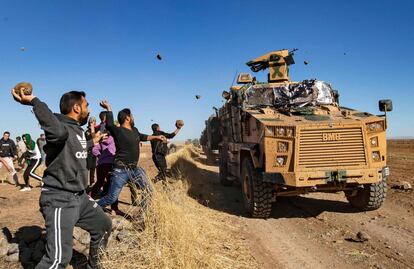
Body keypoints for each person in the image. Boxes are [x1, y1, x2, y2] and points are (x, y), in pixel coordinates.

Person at [11, 88, 111, 269]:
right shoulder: (60, 126)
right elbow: (58, 134)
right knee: (57, 260)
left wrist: (92, 142)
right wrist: (34, 100)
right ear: (77, 108)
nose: (89, 109)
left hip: (80, 198)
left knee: (103, 225)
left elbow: (73, 147)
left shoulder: (77, 130)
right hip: (60, 199)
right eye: (86, 105)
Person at [97, 100, 165, 212]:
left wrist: (156, 137)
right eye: (132, 115)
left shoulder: (135, 130)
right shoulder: (118, 131)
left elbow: (143, 136)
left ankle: (144, 214)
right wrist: (108, 108)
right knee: (111, 197)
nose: (133, 117)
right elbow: (109, 124)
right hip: (120, 170)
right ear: (127, 118)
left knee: (149, 190)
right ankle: (92, 209)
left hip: (134, 169)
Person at [90, 111, 121, 213]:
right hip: (110, 164)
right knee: (113, 184)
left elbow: (94, 150)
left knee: (99, 183)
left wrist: (101, 156)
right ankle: (114, 208)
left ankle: (87, 200)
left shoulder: (100, 139)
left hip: (100, 164)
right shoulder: (113, 139)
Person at [86, 117, 97, 186]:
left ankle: (92, 183)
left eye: (95, 122)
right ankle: (84, 183)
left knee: (93, 168)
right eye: (93, 122)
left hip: (94, 153)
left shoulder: (96, 131)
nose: (94, 123)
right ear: (90, 123)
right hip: (88, 152)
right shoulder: (87, 132)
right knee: (87, 168)